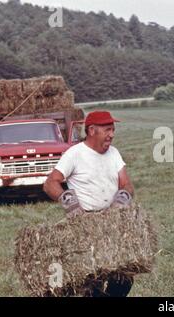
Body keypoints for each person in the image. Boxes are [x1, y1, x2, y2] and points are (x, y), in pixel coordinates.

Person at [43, 110, 135, 297]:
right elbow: (50, 183)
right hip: (85, 224)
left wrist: (121, 199)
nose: (112, 134)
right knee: (92, 279)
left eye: (113, 129)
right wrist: (71, 204)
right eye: (107, 129)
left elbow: (126, 183)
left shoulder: (114, 153)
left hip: (112, 222)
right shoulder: (75, 154)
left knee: (124, 279)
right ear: (92, 130)